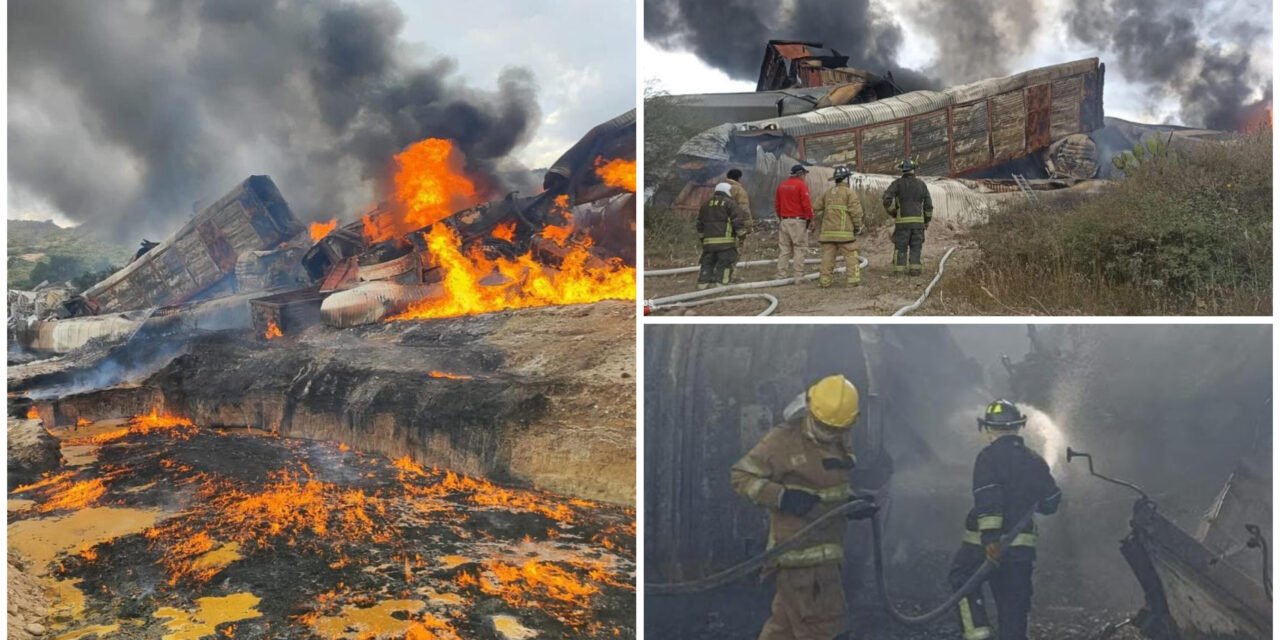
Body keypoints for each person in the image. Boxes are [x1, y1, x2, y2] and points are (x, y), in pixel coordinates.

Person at [731, 375, 878, 640]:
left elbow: (828, 486)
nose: (830, 434)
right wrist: (782, 497)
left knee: (784, 628)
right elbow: (742, 477)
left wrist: (851, 502)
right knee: (824, 627)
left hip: (827, 552)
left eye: (837, 429)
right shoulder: (783, 441)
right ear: (811, 409)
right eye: (825, 426)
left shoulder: (839, 435)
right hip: (799, 556)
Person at [949, 400, 1062, 640]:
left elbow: (988, 496)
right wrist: (1038, 497)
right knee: (1014, 603)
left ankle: (978, 634)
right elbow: (1051, 501)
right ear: (1018, 427)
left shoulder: (988, 457)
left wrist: (990, 539)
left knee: (962, 582)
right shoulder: (1035, 461)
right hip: (1020, 551)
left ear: (988, 429)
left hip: (982, 547)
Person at [813, 165, 864, 288]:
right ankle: (853, 281)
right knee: (851, 255)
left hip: (827, 233)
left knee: (827, 257)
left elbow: (815, 208)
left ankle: (825, 282)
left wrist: (823, 219)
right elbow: (856, 213)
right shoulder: (849, 193)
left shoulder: (828, 193)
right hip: (845, 234)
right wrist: (858, 227)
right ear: (846, 179)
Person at [881, 159, 933, 276]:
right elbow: (928, 205)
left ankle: (899, 271)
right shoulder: (921, 184)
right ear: (914, 170)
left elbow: (886, 199)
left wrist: (893, 213)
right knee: (916, 246)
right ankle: (915, 270)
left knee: (901, 246)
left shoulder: (897, 184)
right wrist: (926, 220)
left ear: (902, 170)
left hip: (902, 223)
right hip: (918, 223)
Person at [696, 182, 748, 290]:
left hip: (708, 243)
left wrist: (703, 239)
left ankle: (703, 284)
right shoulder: (730, 204)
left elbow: (700, 224)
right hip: (726, 243)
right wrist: (742, 235)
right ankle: (721, 284)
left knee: (708, 262)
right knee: (724, 263)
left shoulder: (705, 204)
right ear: (727, 191)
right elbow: (737, 222)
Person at [775, 164, 814, 284]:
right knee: (799, 248)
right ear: (800, 174)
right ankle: (798, 276)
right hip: (798, 221)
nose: (805, 177)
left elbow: (777, 205)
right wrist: (811, 219)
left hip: (784, 220)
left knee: (785, 249)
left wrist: (781, 218)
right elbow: (806, 204)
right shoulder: (801, 185)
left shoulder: (781, 185)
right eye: (804, 174)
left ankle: (781, 275)